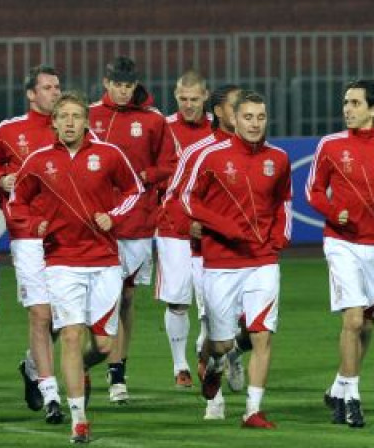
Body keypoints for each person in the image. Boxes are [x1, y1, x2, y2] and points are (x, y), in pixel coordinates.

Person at [10, 91, 142, 443]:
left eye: (75, 116)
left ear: (86, 121)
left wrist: (113, 216)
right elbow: (16, 201)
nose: (69, 122)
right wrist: (35, 221)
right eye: (63, 116)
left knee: (101, 345)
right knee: (70, 334)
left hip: (103, 261)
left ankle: (77, 371)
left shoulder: (109, 155)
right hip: (61, 261)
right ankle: (78, 418)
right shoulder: (38, 161)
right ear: (53, 122)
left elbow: (134, 190)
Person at [182, 90, 292, 429]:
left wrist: (280, 237)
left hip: (262, 261)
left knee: (262, 335)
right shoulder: (210, 156)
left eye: (261, 117)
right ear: (234, 119)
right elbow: (186, 198)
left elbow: (282, 200)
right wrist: (222, 226)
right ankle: (211, 366)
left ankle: (252, 411)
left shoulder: (279, 158)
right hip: (221, 262)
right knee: (223, 343)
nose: (255, 124)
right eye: (248, 117)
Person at [306, 79, 374, 428]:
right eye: (345, 102)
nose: (347, 109)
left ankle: (337, 387)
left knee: (366, 323)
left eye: (355, 103)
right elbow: (314, 190)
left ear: (373, 109)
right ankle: (352, 399)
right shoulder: (330, 145)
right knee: (351, 319)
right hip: (342, 242)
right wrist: (333, 212)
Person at [89, 56, 178, 400]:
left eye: (129, 86)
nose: (124, 92)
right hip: (99, 222)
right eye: (118, 85)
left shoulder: (153, 121)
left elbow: (170, 162)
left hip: (138, 221)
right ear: (106, 83)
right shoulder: (90, 116)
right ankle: (90, 358)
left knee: (125, 297)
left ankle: (117, 373)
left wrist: (148, 176)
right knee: (98, 299)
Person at [0, 65, 64, 422]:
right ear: (31, 94)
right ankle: (51, 396)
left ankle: (32, 366)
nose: (54, 92)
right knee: (41, 314)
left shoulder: (70, 127)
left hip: (69, 236)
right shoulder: (10, 130)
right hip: (27, 235)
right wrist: (1, 177)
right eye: (47, 87)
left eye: (57, 86)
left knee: (65, 320)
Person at [158, 84, 242, 419]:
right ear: (221, 111)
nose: (248, 116)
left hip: (253, 257)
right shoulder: (199, 151)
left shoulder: (264, 154)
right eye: (239, 108)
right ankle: (215, 399)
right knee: (210, 320)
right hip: (208, 253)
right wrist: (188, 225)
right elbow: (173, 198)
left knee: (248, 329)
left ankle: (231, 355)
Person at [156, 70, 212, 391]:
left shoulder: (218, 131)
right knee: (177, 301)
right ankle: (180, 365)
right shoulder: (163, 128)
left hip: (208, 229)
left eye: (194, 99)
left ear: (206, 96)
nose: (188, 105)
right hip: (172, 228)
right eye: (183, 99)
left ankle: (203, 351)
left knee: (211, 301)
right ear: (176, 96)